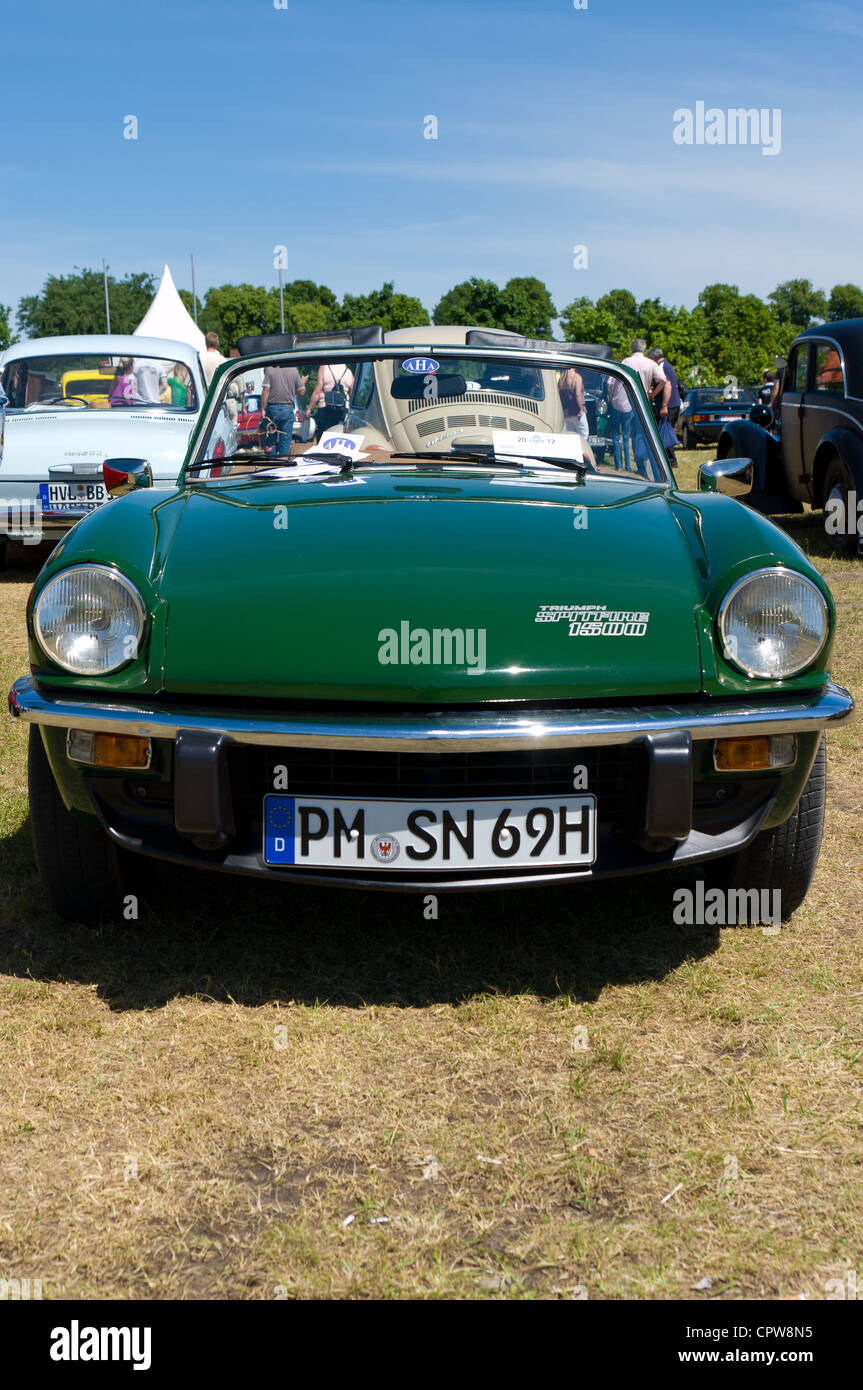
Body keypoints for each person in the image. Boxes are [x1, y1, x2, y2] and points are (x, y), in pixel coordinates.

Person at [261, 360, 307, 457]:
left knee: (271, 440)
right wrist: (303, 382)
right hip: (287, 407)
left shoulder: (270, 369)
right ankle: (283, 464)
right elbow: (301, 392)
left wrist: (262, 409)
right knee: (285, 440)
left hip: (272, 409)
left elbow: (266, 390)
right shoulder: (293, 369)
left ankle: (271, 465)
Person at [647, 346, 681, 467]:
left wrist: (664, 405)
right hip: (674, 404)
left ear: (653, 357)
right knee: (665, 431)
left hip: (669, 405)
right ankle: (668, 460)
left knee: (666, 432)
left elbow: (667, 385)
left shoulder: (661, 367)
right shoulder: (668, 365)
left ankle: (671, 461)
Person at [306, 362, 354, 438]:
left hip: (325, 409)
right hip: (343, 411)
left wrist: (309, 408)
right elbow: (353, 394)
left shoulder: (324, 368)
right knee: (340, 438)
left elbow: (317, 391)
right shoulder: (348, 372)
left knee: (323, 438)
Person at [558, 366, 588, 438]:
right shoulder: (577, 377)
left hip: (566, 413)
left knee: (571, 437)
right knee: (584, 436)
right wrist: (580, 409)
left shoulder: (561, 378)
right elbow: (578, 394)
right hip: (576, 412)